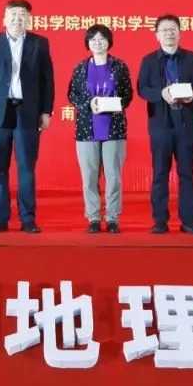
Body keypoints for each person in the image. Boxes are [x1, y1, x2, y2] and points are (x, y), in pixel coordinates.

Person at [0, 0, 54, 233]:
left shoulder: (39, 43)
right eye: (13, 14)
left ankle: (28, 218)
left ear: (29, 19)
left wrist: (46, 111)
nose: (17, 19)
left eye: (22, 15)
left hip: (27, 111)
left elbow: (47, 80)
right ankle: (0, 218)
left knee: (26, 167)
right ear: (4, 19)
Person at [136, 15, 193, 234]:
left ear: (180, 33)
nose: (169, 33)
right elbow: (142, 88)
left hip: (186, 122)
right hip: (160, 123)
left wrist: (192, 94)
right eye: (165, 30)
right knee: (160, 172)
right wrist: (161, 94)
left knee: (187, 173)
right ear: (157, 35)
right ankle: (160, 220)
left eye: (173, 29)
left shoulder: (191, 58)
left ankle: (189, 221)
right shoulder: (149, 60)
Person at [68, 24, 134, 233]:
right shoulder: (80, 68)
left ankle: (112, 218)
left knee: (113, 177)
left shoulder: (119, 66)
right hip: (87, 128)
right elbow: (72, 94)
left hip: (114, 127)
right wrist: (89, 103)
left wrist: (115, 103)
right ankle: (94, 218)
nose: (97, 43)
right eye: (93, 40)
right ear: (88, 43)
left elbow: (128, 95)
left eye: (102, 39)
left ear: (109, 42)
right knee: (89, 177)